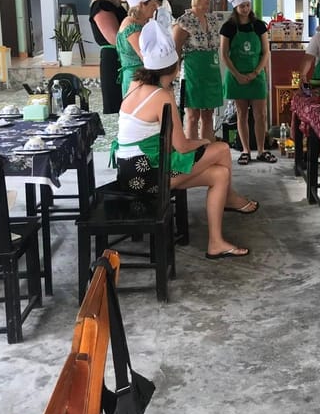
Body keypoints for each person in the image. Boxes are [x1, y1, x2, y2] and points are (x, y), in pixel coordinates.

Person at [110, 16, 258, 260]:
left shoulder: (135, 84)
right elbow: (181, 145)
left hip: (129, 169)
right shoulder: (162, 95)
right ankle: (231, 198)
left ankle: (216, 242)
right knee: (220, 149)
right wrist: (204, 142)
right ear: (175, 67)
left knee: (220, 174)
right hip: (147, 173)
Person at [220, 0, 275, 165]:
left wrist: (256, 72)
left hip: (256, 75)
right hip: (236, 77)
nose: (245, 9)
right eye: (242, 6)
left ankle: (261, 150)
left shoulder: (259, 25)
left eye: (248, 5)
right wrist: (237, 75)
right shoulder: (228, 27)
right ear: (235, 7)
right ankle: (245, 151)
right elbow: (224, 54)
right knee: (241, 114)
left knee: (261, 115)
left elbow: (266, 52)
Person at [172, 0, 223, 142]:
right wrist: (175, 72)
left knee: (208, 115)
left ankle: (207, 151)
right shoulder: (184, 22)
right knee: (193, 115)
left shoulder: (213, 20)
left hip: (212, 71)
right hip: (193, 73)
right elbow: (175, 50)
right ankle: (192, 155)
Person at [89, 0, 126, 114]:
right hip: (113, 58)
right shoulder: (102, 6)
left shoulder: (115, 5)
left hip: (121, 57)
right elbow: (114, 38)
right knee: (118, 105)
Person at [117, 0, 159, 95]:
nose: (156, 8)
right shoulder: (132, 27)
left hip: (142, 77)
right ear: (141, 5)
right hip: (136, 80)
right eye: (152, 4)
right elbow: (146, 57)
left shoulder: (140, 23)